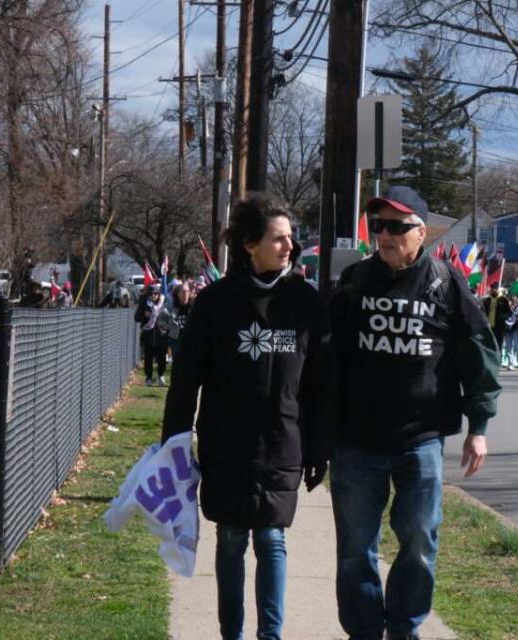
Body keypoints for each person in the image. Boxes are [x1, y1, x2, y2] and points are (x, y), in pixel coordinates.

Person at [327, 186, 501, 640]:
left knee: (420, 540)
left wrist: (478, 428)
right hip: (356, 441)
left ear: (420, 233)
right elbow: (326, 357)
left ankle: (404, 628)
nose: (384, 234)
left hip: (420, 439)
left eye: (396, 227)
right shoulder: (354, 282)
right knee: (354, 549)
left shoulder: (446, 281)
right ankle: (364, 631)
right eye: (378, 225)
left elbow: (478, 354)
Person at [161, 193, 327, 640]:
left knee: (272, 539)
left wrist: (318, 447)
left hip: (283, 444)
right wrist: (174, 444)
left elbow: (317, 383)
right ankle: (230, 634)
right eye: (279, 239)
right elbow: (185, 381)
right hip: (226, 445)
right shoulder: (215, 303)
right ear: (251, 244)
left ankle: (269, 636)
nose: (289, 247)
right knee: (231, 538)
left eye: (291, 238)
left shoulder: (305, 303)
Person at [134, 283, 169, 386]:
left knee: (161, 357)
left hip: (161, 335)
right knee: (148, 358)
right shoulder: (144, 304)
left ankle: (161, 376)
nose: (153, 296)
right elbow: (136, 318)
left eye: (155, 294)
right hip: (148, 336)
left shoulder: (164, 303)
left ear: (158, 294)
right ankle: (149, 377)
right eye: (151, 294)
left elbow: (169, 317)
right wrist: (145, 316)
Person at [158, 282, 193, 364]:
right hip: (176, 340)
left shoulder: (193, 306)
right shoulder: (171, 306)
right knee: (178, 363)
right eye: (183, 292)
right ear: (178, 294)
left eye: (187, 292)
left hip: (191, 339)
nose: (185, 294)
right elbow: (161, 320)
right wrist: (169, 327)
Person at [483, 282, 511, 364]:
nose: (493, 290)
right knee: (490, 344)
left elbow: (509, 312)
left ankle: (499, 361)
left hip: (499, 327)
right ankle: (491, 360)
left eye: (494, 289)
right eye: (492, 289)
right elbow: (484, 311)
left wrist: (503, 318)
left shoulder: (503, 300)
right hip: (489, 326)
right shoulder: (487, 300)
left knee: (499, 344)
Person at [503, 295, 518, 371]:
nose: (512, 302)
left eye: (513, 301)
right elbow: (503, 316)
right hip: (508, 329)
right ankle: (510, 364)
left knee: (517, 346)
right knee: (508, 347)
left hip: (516, 328)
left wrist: (516, 317)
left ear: (516, 301)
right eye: (510, 301)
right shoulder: (506, 308)